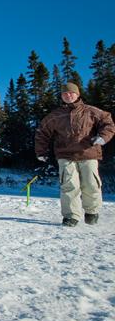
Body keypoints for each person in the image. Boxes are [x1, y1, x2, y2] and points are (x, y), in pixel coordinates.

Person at [35, 82, 115, 227]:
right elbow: (42, 133)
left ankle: (91, 211)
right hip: (65, 155)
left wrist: (103, 137)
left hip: (88, 153)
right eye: (65, 94)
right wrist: (41, 151)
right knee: (69, 185)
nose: (68, 95)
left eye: (71, 93)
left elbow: (107, 122)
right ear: (61, 96)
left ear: (77, 94)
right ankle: (71, 216)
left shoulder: (91, 111)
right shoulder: (55, 115)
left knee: (91, 184)